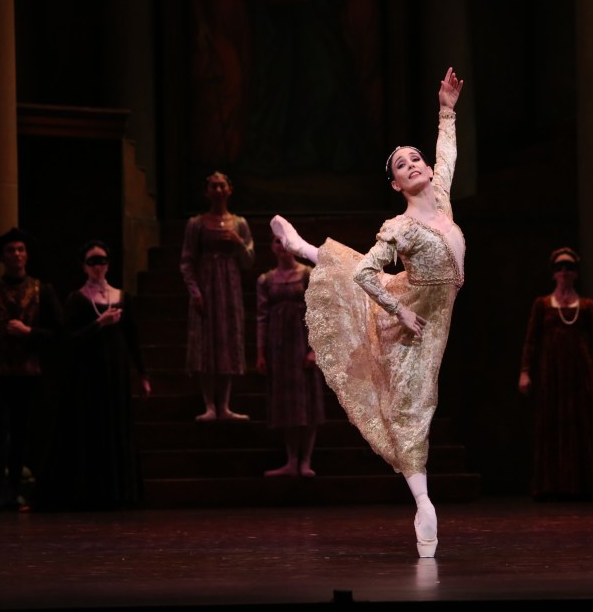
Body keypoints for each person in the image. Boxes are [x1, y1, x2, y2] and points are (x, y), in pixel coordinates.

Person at [269, 66, 464, 558]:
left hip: (435, 310)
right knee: (411, 407)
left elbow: (447, 154)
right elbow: (366, 276)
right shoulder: (398, 226)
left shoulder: (440, 197)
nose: (416, 165)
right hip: (415, 313)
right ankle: (423, 504)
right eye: (403, 165)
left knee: (418, 402)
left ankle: (305, 248)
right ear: (396, 184)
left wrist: (446, 109)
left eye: (416, 159)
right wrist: (398, 311)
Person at [518, 247, 593, 502]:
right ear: (554, 273)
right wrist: (525, 371)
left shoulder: (586, 305)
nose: (564, 272)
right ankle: (554, 486)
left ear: (575, 273)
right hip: (553, 377)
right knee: (555, 427)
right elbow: (531, 342)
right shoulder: (542, 305)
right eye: (559, 268)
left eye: (569, 267)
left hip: (581, 374)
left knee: (588, 427)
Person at [48, 241, 151, 510]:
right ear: (84, 266)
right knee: (93, 427)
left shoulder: (121, 296)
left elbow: (133, 338)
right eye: (92, 262)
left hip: (116, 372)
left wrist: (142, 373)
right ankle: (93, 492)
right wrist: (99, 324)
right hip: (88, 375)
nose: (98, 266)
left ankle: (119, 492)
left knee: (117, 426)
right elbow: (68, 339)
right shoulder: (77, 299)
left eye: (102, 261)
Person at [0, 227, 62, 512]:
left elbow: (58, 333)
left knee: (24, 433)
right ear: (3, 256)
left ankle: (17, 489)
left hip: (30, 373)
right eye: (11, 250)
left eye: (21, 250)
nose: (17, 255)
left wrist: (29, 332)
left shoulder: (42, 290)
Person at [180, 171, 256, 422]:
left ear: (229, 189)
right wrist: (195, 291)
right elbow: (187, 261)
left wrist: (237, 241)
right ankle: (209, 404)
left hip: (229, 286)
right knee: (206, 343)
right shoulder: (197, 224)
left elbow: (249, 260)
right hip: (206, 285)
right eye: (213, 186)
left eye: (222, 185)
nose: (218, 190)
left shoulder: (239, 223)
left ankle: (224, 404)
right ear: (207, 191)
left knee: (227, 342)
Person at [256, 234, 325, 477]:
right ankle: (291, 459)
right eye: (276, 241)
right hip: (279, 348)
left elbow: (318, 312)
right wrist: (261, 352)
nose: (282, 246)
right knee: (286, 406)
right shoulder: (266, 280)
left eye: (285, 241)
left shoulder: (306, 274)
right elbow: (262, 317)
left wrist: (315, 348)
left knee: (307, 403)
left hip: (302, 344)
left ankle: (306, 460)